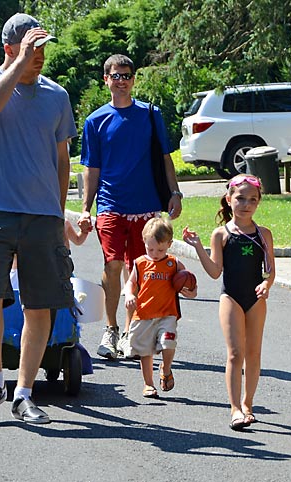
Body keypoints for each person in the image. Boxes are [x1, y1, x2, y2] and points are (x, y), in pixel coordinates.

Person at [0, 13, 77, 425]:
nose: (40, 56)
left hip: (42, 216)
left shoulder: (56, 95)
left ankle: (24, 393)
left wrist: (59, 213)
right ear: (10, 48)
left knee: (41, 305)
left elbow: (62, 160)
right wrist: (17, 65)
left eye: (44, 48)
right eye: (32, 48)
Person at [78, 54, 183, 361]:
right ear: (106, 80)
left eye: (127, 75)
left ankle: (130, 332)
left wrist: (174, 192)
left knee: (139, 271)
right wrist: (86, 208)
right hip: (111, 204)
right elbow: (91, 168)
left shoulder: (150, 115)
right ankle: (110, 330)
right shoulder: (95, 121)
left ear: (133, 79)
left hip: (147, 207)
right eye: (116, 76)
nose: (121, 81)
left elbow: (165, 158)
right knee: (112, 265)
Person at [182, 174, 275, 430]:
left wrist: (266, 284)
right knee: (236, 354)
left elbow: (270, 271)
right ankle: (234, 409)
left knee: (254, 354)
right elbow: (214, 271)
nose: (246, 204)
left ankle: (248, 404)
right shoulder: (221, 234)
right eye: (241, 198)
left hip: (255, 300)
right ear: (229, 199)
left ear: (258, 203)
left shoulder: (263, 234)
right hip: (231, 297)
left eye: (252, 200)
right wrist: (198, 246)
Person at [123, 218, 196, 398]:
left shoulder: (173, 263)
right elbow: (130, 283)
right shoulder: (140, 263)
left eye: (160, 249)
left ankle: (166, 368)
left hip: (167, 315)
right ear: (144, 242)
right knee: (145, 352)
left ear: (170, 244)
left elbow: (189, 283)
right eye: (150, 249)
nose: (155, 253)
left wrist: (191, 291)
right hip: (144, 315)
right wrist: (130, 295)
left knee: (168, 342)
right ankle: (148, 384)